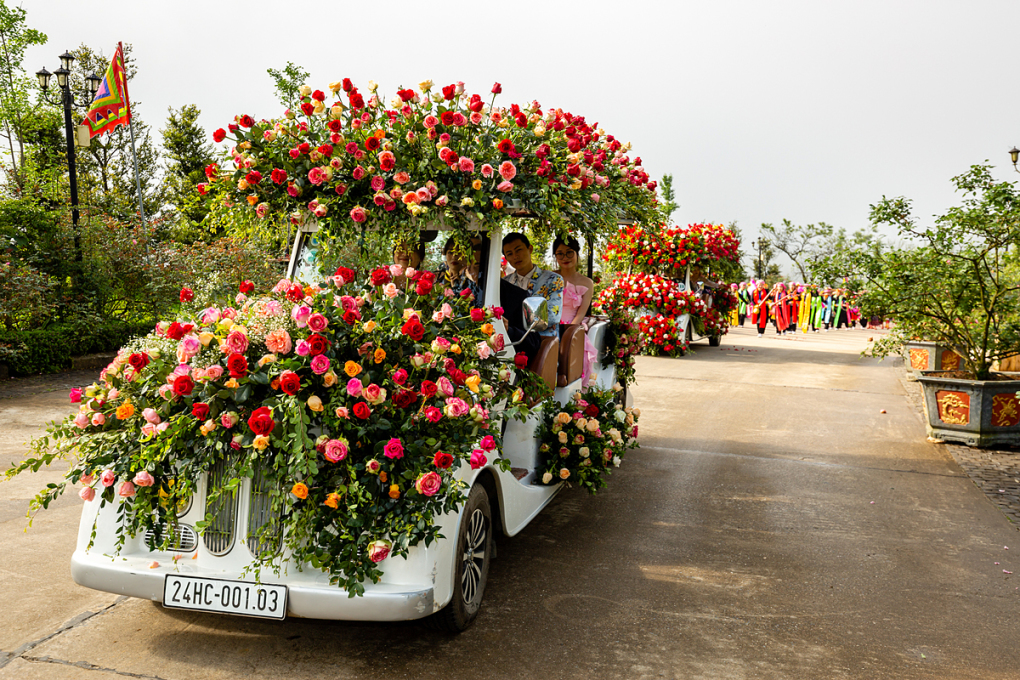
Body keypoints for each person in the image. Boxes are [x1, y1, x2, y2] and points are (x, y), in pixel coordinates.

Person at [501, 232, 563, 360]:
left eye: (518, 250)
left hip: (542, 343)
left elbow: (551, 316)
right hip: (511, 343)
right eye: (510, 254)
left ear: (530, 249)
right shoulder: (505, 283)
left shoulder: (553, 279)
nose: (515, 256)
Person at [552, 235, 597, 386]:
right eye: (560, 253)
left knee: (571, 346)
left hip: (573, 326)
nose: (565, 257)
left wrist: (567, 332)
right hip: (551, 325)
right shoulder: (551, 277)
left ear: (577, 253)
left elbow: (581, 312)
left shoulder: (587, 283)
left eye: (569, 252)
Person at [435, 236, 482, 304]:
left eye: (459, 252)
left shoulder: (472, 280)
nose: (454, 256)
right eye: (450, 252)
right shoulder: (439, 279)